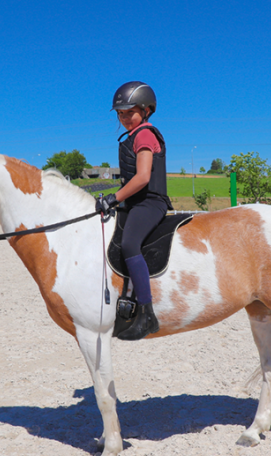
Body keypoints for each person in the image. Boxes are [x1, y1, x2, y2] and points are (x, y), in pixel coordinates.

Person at [97, 81, 172, 341]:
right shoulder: (132, 136)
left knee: (129, 244)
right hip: (135, 202)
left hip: (150, 201)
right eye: (120, 113)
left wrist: (112, 199)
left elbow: (141, 178)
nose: (125, 117)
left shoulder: (145, 134)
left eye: (130, 112)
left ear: (146, 110)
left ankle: (147, 313)